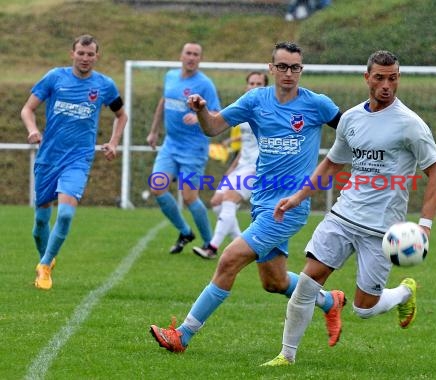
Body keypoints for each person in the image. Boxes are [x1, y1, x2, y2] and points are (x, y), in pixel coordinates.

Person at [150, 42, 346, 353]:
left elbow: (352, 129)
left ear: (301, 70)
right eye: (282, 66)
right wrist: (201, 111)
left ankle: (182, 335)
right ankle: (329, 300)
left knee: (228, 259)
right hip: (262, 202)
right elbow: (213, 127)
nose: (288, 73)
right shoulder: (256, 100)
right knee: (275, 282)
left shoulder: (317, 104)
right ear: (271, 69)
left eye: (295, 67)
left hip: (288, 208)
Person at [262, 50, 436, 366]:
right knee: (307, 283)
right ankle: (286, 356)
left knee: (364, 308)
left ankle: (403, 292)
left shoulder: (410, 125)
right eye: (380, 78)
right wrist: (297, 197)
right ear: (367, 78)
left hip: (381, 230)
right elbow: (332, 164)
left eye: (393, 78)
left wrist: (425, 225)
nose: (387, 85)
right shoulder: (350, 118)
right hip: (343, 216)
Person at [20, 34, 128, 290]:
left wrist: (113, 142)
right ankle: (47, 258)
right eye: (81, 53)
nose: (85, 58)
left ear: (96, 57)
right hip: (48, 157)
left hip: (78, 158)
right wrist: (32, 129)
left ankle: (45, 265)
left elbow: (121, 116)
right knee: (39, 224)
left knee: (66, 213)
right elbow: (27, 109)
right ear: (72, 54)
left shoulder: (104, 85)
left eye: (90, 54)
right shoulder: (55, 78)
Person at [146, 42, 221, 254]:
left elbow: (216, 113)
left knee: (189, 197)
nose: (191, 57)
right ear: (181, 55)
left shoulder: (205, 84)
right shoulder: (170, 76)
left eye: (196, 54)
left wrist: (198, 116)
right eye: (188, 53)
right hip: (170, 145)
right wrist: (154, 131)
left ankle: (210, 244)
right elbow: (164, 102)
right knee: (157, 187)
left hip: (193, 149)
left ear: (200, 59)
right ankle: (185, 231)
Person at [192, 71, 268, 259]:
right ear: (246, 86)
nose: (254, 86)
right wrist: (232, 167)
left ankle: (212, 247)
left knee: (229, 198)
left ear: (266, 87)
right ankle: (244, 243)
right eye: (251, 83)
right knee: (216, 202)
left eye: (259, 83)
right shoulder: (244, 109)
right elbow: (245, 145)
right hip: (242, 165)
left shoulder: (269, 112)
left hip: (258, 168)